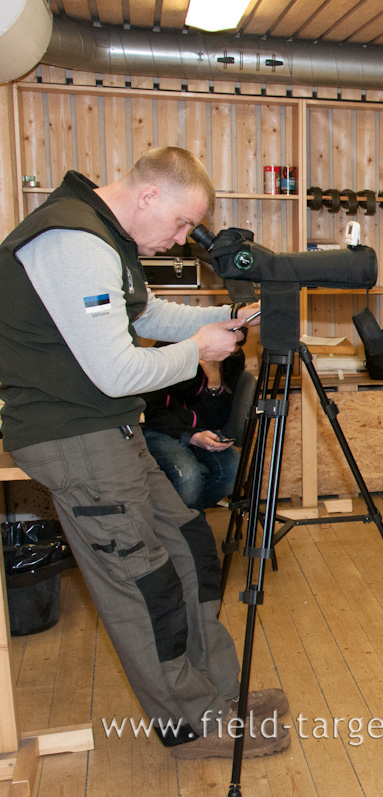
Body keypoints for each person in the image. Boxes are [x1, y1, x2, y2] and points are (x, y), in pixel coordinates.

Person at [0, 147, 288, 759]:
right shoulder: (72, 240)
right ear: (149, 195)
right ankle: (192, 726)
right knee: (143, 580)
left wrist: (225, 319)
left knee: (189, 543)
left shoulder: (105, 235)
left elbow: (146, 311)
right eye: (182, 224)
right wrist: (200, 351)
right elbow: (114, 370)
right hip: (73, 434)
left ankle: (214, 694)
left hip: (106, 429)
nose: (184, 240)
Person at [141, 348, 245, 511]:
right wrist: (191, 435)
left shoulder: (232, 357)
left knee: (233, 473)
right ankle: (187, 526)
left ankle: (186, 520)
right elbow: (152, 411)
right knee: (188, 479)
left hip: (199, 429)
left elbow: (217, 420)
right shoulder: (167, 351)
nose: (231, 350)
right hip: (161, 428)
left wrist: (214, 383)